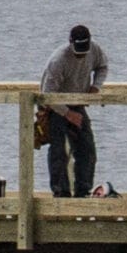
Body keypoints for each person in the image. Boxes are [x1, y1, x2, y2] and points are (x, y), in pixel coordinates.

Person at [37, 24, 108, 198]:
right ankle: (61, 192)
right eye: (78, 52)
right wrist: (67, 114)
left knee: (87, 149)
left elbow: (102, 66)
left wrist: (95, 87)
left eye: (84, 51)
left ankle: (83, 190)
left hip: (78, 104)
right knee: (59, 151)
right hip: (55, 106)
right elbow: (47, 94)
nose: (81, 55)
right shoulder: (58, 61)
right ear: (70, 42)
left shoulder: (95, 50)